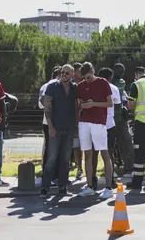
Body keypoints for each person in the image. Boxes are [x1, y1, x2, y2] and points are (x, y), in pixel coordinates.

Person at [75, 62, 114, 198]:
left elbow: (110, 103)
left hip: (99, 122)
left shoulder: (103, 82)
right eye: (85, 78)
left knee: (104, 153)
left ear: (93, 72)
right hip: (84, 122)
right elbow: (78, 104)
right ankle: (90, 186)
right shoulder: (80, 86)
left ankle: (108, 188)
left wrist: (93, 104)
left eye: (89, 77)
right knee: (87, 154)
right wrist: (82, 106)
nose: (88, 80)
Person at [41, 64, 78, 196]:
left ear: (72, 74)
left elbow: (76, 106)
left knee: (65, 159)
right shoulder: (52, 87)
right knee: (52, 158)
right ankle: (45, 187)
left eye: (67, 73)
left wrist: (76, 126)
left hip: (69, 128)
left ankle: (62, 186)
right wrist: (50, 127)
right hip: (55, 128)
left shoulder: (75, 88)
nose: (64, 75)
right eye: (62, 72)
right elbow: (47, 108)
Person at [98, 67, 121, 188]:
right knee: (109, 152)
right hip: (109, 123)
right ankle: (111, 179)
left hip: (96, 123)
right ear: (110, 77)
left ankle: (92, 180)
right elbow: (117, 103)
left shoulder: (95, 87)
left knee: (93, 153)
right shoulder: (114, 88)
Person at [111, 63, 134, 180]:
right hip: (110, 117)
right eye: (118, 70)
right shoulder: (109, 82)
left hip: (120, 117)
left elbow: (123, 96)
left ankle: (129, 167)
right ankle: (111, 169)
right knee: (109, 145)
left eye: (122, 71)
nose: (120, 73)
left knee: (126, 142)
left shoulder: (122, 82)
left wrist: (125, 106)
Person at [39, 67, 61, 179]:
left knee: (48, 148)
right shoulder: (55, 85)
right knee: (54, 150)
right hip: (54, 121)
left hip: (46, 121)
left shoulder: (44, 86)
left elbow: (40, 104)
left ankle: (47, 174)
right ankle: (53, 176)